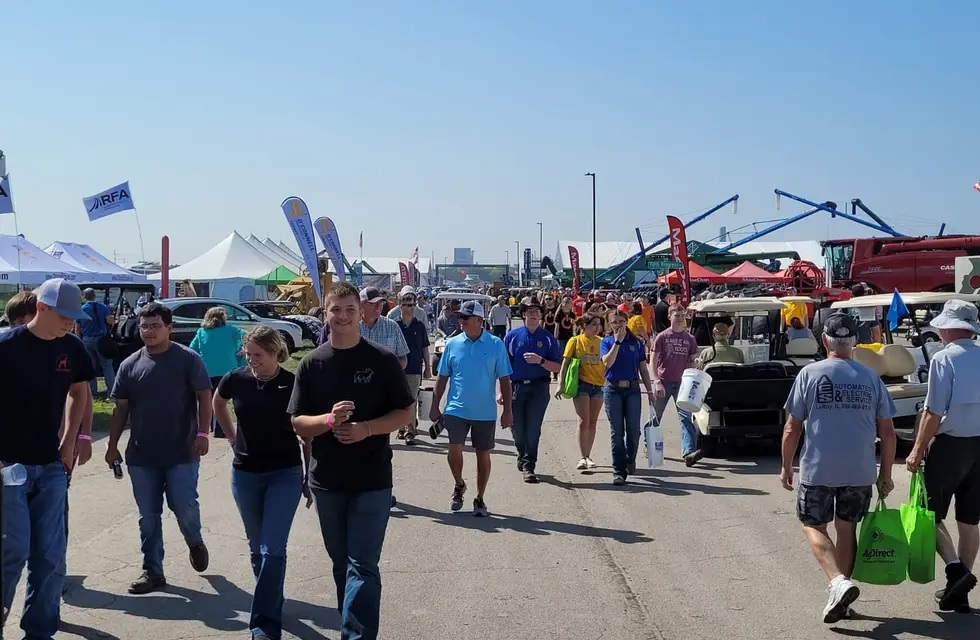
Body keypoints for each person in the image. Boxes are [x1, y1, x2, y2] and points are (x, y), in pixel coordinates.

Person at [289, 282, 415, 640]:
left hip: (372, 479)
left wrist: (367, 429)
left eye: (349, 310)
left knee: (363, 564)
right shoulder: (313, 364)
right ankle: (352, 624)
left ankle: (356, 636)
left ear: (361, 313)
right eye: (335, 310)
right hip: (327, 481)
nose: (342, 317)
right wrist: (329, 421)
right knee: (342, 564)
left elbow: (405, 412)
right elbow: (298, 422)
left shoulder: (381, 360)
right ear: (325, 315)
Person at [781, 312, 896, 624]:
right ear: (855, 342)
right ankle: (841, 599)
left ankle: (838, 583)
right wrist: (885, 475)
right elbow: (887, 432)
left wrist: (786, 466)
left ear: (824, 341)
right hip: (859, 470)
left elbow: (792, 428)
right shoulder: (871, 378)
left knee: (812, 525)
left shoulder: (809, 374)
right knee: (846, 529)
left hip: (818, 469)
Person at [0, 279, 94, 639]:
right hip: (9, 466)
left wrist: (71, 440)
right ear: (41, 308)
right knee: (13, 552)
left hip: (52, 466)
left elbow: (78, 390)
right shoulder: (6, 346)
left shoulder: (71, 347)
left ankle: (39, 632)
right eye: (65, 316)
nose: (71, 323)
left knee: (50, 557)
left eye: (75, 316)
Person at [106, 302, 213, 595]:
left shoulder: (188, 360)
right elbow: (120, 409)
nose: (149, 331)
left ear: (169, 328)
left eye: (155, 326)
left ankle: (194, 540)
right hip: (142, 456)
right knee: (148, 515)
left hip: (182, 451)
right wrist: (112, 446)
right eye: (144, 326)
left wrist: (203, 432)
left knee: (184, 506)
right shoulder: (130, 365)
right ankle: (153, 570)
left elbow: (205, 396)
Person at [214, 326, 310, 640]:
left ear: (275, 353)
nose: (253, 360)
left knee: (272, 548)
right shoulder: (236, 378)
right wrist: (229, 436)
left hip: (285, 472)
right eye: (249, 354)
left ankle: (264, 624)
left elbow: (306, 435)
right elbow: (218, 403)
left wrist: (310, 473)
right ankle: (271, 598)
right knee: (257, 548)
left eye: (259, 355)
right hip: (244, 473)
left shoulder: (292, 383)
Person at [907, 299, 980, 613]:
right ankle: (958, 590)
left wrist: (916, 451)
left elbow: (933, 412)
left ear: (949, 327)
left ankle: (956, 571)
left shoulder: (943, 358)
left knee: (928, 514)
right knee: (969, 519)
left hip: (951, 445)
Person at [430, 301, 513, 515]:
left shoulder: (496, 344)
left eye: (465, 318)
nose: (461, 321)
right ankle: (459, 484)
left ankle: (480, 498)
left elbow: (505, 379)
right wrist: (435, 405)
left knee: (482, 455)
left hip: (484, 412)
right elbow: (442, 377)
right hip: (456, 408)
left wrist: (508, 410)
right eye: (460, 318)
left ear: (479, 320)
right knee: (454, 449)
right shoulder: (453, 344)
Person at [503, 303, 561, 483]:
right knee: (517, 428)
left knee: (533, 428)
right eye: (530, 312)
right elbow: (503, 367)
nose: (534, 315)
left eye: (537, 312)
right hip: (517, 387)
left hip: (539, 388)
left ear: (542, 316)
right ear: (523, 315)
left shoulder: (548, 338)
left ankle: (529, 465)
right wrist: (500, 391)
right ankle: (522, 453)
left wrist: (541, 361)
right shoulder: (512, 337)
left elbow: (558, 366)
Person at [601, 309, 655, 486]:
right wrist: (617, 342)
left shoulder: (636, 343)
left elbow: (643, 368)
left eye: (621, 321)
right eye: (614, 322)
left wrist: (649, 390)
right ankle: (618, 470)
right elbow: (607, 362)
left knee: (633, 432)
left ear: (626, 322)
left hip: (632, 389)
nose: (618, 325)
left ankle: (629, 458)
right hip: (613, 389)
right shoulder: (607, 342)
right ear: (609, 325)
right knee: (617, 432)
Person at [650, 304, 702, 466]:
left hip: (682, 383)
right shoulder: (662, 337)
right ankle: (649, 445)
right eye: (676, 315)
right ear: (669, 316)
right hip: (664, 381)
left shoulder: (690, 339)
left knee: (686, 418)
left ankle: (688, 452)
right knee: (655, 417)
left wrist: (695, 367)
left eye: (682, 315)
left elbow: (691, 361)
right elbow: (652, 361)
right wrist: (656, 381)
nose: (679, 318)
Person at [557, 313, 606, 470]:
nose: (597, 327)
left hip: (598, 385)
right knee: (583, 421)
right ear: (584, 326)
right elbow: (564, 364)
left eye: (599, 324)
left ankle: (588, 456)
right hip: (581, 385)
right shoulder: (575, 341)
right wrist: (560, 384)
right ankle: (582, 457)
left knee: (592, 422)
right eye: (593, 324)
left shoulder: (602, 342)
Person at [190, 307, 246, 438]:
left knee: (208, 401)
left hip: (207, 371)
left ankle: (207, 427)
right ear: (223, 317)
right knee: (223, 401)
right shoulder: (231, 330)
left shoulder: (201, 332)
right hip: (228, 371)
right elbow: (247, 335)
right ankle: (221, 430)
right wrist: (244, 349)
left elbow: (192, 350)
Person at [394, 288, 431, 444]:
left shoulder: (419, 326)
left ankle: (411, 431)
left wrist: (428, 367)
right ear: (400, 306)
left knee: (412, 400)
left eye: (413, 304)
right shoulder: (394, 325)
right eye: (407, 304)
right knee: (397, 400)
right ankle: (400, 428)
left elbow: (425, 348)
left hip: (415, 368)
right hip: (396, 369)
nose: (410, 307)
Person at [77, 287, 116, 398]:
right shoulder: (103, 307)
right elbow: (110, 322)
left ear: (84, 297)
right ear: (95, 296)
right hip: (101, 339)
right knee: (107, 366)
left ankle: (93, 391)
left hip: (87, 339)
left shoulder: (82, 309)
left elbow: (77, 329)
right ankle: (111, 392)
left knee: (91, 366)